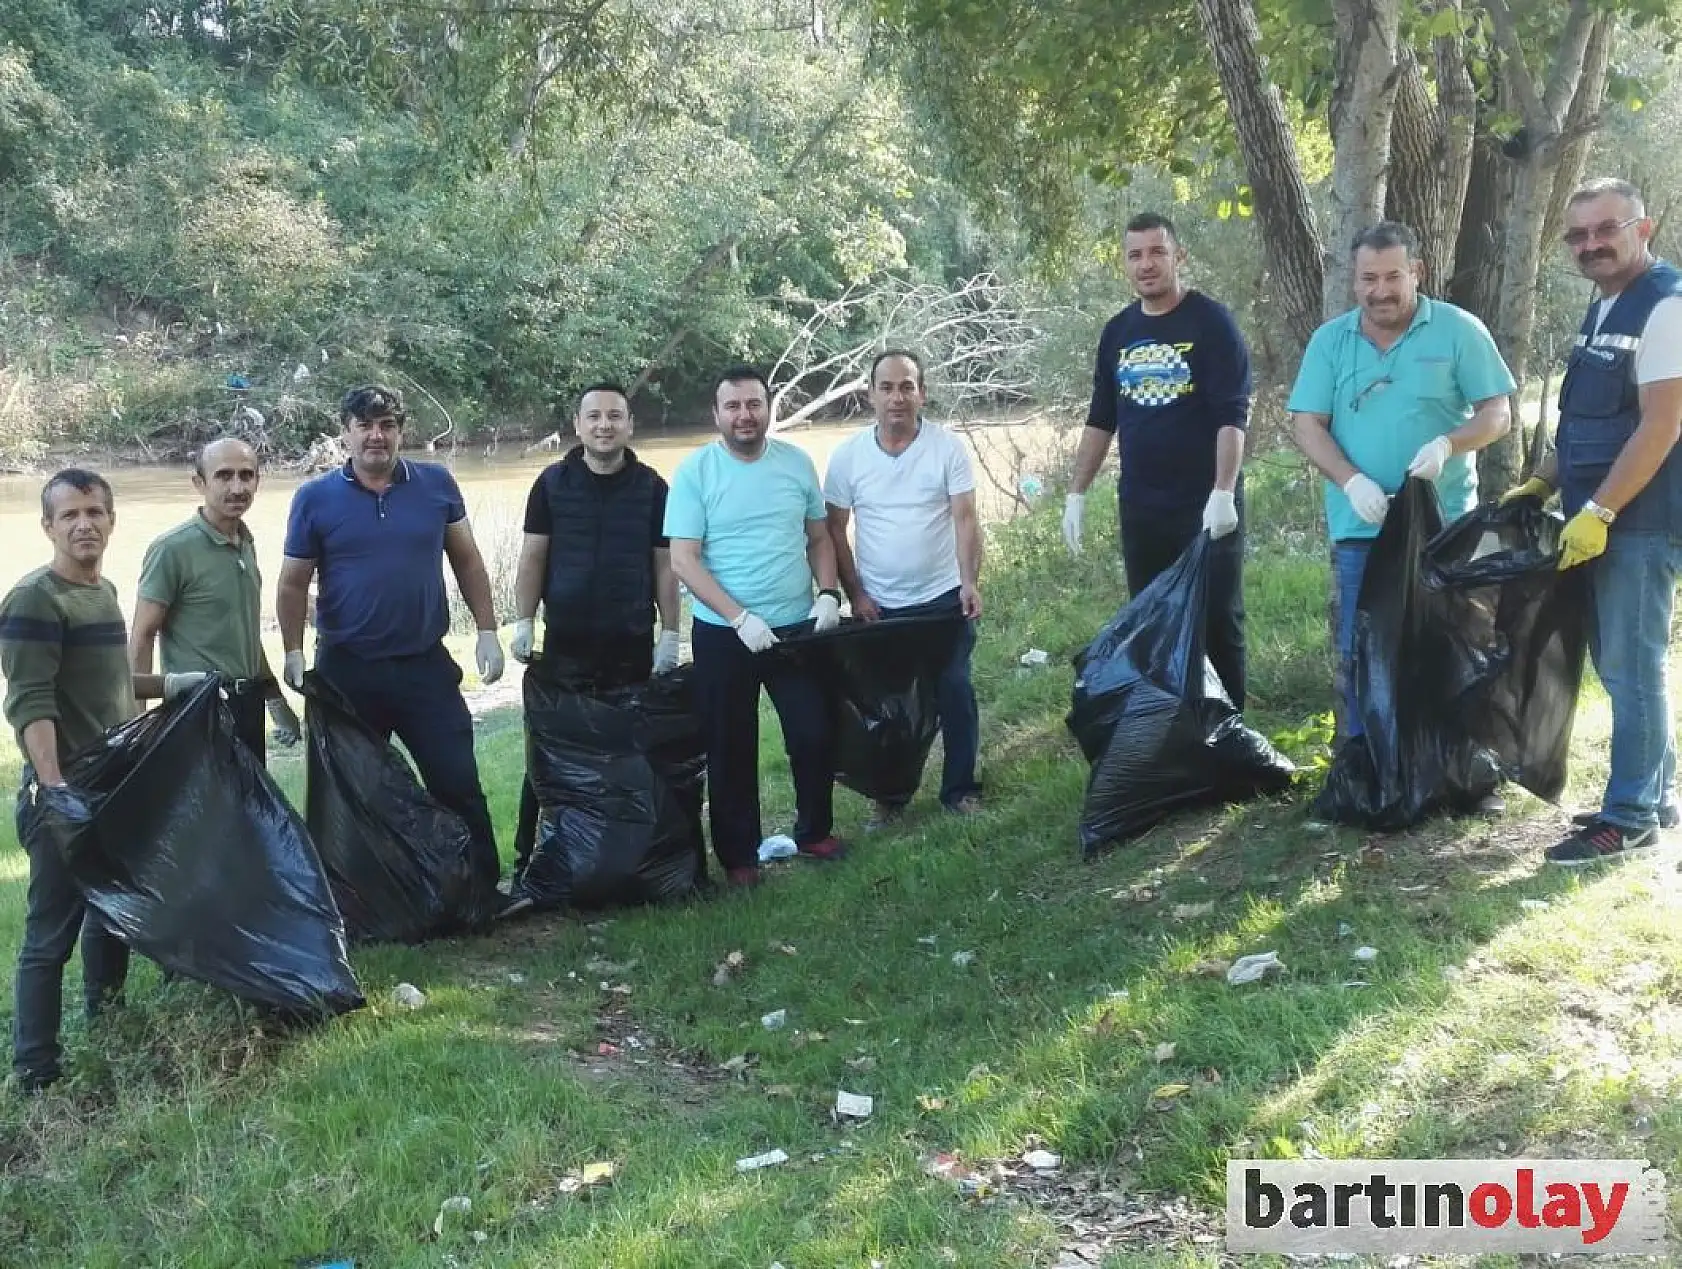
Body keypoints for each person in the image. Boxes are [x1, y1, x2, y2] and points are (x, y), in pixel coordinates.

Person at [1499, 179, 1682, 864]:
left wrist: (1601, 510)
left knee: (1632, 668)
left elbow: (1663, 424)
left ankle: (1629, 816)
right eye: (1577, 235)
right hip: (1596, 515)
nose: (1591, 244)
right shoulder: (1605, 305)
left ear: (1645, 226)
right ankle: (1656, 795)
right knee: (1623, 664)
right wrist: (1542, 481)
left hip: (1640, 518)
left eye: (1605, 228)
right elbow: (1584, 417)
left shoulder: (1665, 306)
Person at [2, 470, 203, 1093]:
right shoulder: (36, 599)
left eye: (94, 512)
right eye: (69, 516)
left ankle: (109, 1026)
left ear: (112, 520)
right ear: (48, 526)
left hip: (112, 786)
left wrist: (178, 686)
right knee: (48, 937)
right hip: (67, 793)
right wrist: (55, 787)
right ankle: (36, 1069)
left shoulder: (103, 589)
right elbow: (30, 702)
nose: (84, 524)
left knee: (108, 917)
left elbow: (111, 683)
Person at [1288, 220, 1515, 749]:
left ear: (1416, 271)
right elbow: (1306, 424)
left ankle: (1459, 767)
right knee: (1360, 650)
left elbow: (1497, 413)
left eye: (1393, 276)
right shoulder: (1331, 342)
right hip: (1361, 526)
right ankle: (1363, 768)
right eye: (1369, 279)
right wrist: (1350, 482)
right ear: (1354, 280)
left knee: (1454, 644)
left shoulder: (1458, 330)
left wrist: (1447, 446)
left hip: (1445, 526)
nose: (1381, 290)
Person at [275, 384, 506, 900]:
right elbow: (292, 583)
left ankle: (482, 890)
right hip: (348, 670)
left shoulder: (436, 484)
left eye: (387, 425)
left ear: (402, 430)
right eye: (365, 425)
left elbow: (466, 560)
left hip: (425, 666)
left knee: (456, 782)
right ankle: (364, 903)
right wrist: (292, 650)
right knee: (353, 793)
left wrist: (488, 630)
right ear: (346, 432)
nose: (377, 435)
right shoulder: (314, 499)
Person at [1060, 212, 1254, 708]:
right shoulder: (1117, 332)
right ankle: (1169, 729)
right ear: (1125, 263)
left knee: (1217, 620)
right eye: (1135, 254)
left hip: (1206, 504)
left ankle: (1228, 733)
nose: (1146, 264)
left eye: (1157, 252)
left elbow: (1232, 416)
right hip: (1143, 507)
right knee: (1151, 618)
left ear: (1177, 256)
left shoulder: (1211, 323)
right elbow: (1101, 417)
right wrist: (1076, 493)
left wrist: (1223, 492)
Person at [665, 364, 846, 887]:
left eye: (754, 405)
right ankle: (739, 857)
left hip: (796, 627)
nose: (745, 415)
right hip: (726, 633)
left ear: (769, 409)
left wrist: (829, 594)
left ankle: (815, 831)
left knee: (813, 733)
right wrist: (737, 616)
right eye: (734, 406)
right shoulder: (696, 472)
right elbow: (684, 560)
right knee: (730, 746)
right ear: (716, 414)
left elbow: (818, 537)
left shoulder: (795, 463)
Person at [505, 381, 681, 888]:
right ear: (578, 425)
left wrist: (671, 633)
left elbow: (665, 566)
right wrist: (523, 621)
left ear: (629, 425)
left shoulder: (653, 488)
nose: (604, 425)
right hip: (565, 648)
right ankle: (529, 863)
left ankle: (637, 861)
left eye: (614, 416)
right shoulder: (551, 484)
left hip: (629, 646)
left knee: (633, 754)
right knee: (546, 757)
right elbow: (533, 557)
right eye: (594, 417)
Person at [824, 349, 984, 828]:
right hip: (881, 605)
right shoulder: (849, 456)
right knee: (890, 706)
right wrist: (855, 594)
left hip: (941, 597)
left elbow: (965, 518)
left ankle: (959, 790)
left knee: (954, 688)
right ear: (870, 394)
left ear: (922, 393)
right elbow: (834, 530)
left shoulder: (946, 449)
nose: (897, 397)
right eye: (887, 387)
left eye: (907, 386)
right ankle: (890, 797)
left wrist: (969, 582)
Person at [129, 436, 300, 762]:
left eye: (246, 475)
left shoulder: (245, 543)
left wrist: (275, 701)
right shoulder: (172, 549)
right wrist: (138, 722)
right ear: (199, 482)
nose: (237, 487)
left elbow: (246, 634)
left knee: (251, 809)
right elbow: (142, 636)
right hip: (196, 708)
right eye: (224, 476)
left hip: (247, 704)